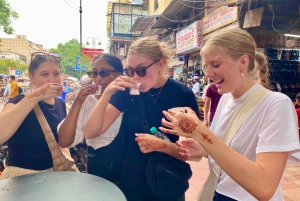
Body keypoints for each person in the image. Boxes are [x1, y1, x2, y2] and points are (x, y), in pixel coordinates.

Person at [160, 28, 300, 201]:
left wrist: (200, 133)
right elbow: (228, 151)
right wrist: (203, 149)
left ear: (243, 62)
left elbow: (264, 187)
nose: (208, 75)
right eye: (206, 66)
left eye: (216, 65)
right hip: (217, 192)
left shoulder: (276, 104)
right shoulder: (226, 99)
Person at [85, 37, 200, 201]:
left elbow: (196, 154)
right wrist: (108, 92)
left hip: (166, 177)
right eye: (130, 71)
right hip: (132, 177)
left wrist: (162, 146)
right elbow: (91, 131)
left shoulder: (181, 94)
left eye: (141, 70)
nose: (136, 77)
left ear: (160, 64)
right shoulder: (127, 92)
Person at [0, 52, 70, 180]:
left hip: (53, 176)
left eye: (56, 73)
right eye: (44, 74)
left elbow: (61, 143)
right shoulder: (18, 102)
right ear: (31, 77)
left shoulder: (60, 104)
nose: (52, 79)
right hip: (20, 179)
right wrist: (35, 97)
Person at [58, 53, 124, 182]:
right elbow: (64, 141)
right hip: (97, 169)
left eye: (103, 72)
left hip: (126, 173)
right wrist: (78, 101)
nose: (98, 78)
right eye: (94, 73)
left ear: (119, 74)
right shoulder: (88, 101)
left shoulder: (129, 98)